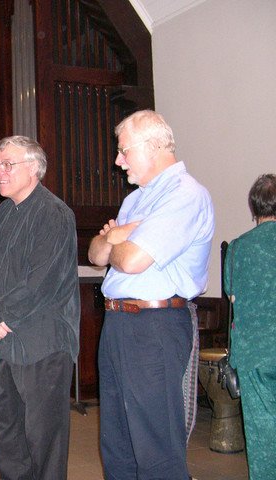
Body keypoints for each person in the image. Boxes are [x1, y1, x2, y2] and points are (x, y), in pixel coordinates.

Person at [88, 110, 215, 479]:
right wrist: (121, 234)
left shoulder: (186, 194)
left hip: (155, 326)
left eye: (124, 150)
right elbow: (95, 253)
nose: (117, 160)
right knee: (118, 445)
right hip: (118, 324)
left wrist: (117, 237)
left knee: (156, 448)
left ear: (155, 146)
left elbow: (132, 260)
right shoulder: (136, 200)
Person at [0, 135, 80, 480]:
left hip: (43, 345)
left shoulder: (55, 214)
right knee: (6, 437)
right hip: (5, 344)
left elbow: (41, 282)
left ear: (34, 168)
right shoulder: (5, 212)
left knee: (44, 443)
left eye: (7, 164)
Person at [223, 173, 276, 480]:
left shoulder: (240, 248)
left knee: (261, 432)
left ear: (255, 207)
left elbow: (233, 295)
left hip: (254, 353)